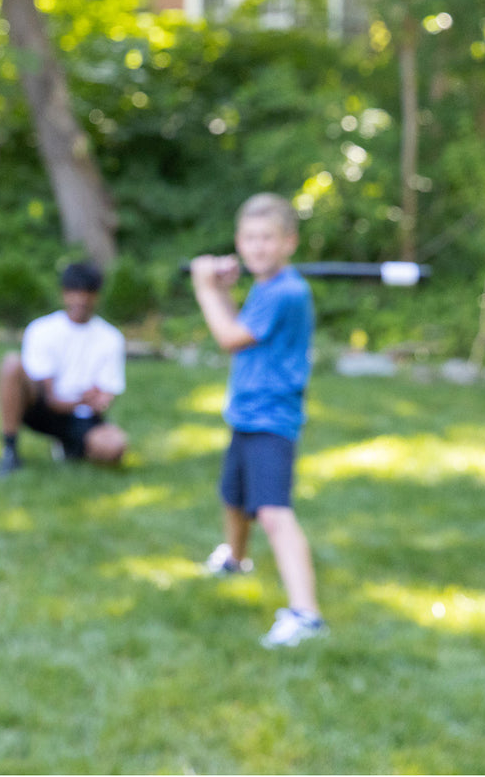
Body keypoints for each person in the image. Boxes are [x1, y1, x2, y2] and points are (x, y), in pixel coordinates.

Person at [188, 192, 325, 649]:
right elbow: (242, 331)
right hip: (247, 412)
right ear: (238, 242)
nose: (259, 247)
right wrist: (224, 291)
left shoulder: (285, 291)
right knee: (233, 496)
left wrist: (205, 288)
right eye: (250, 238)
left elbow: (228, 338)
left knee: (271, 512)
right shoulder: (268, 287)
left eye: (269, 238)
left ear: (290, 242)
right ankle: (235, 561)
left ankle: (306, 615)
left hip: (272, 418)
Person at [0, 261, 128, 478]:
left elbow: (105, 395)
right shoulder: (42, 330)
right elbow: (51, 399)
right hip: (42, 410)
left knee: (115, 448)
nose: (81, 299)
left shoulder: (111, 338)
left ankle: (72, 447)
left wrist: (98, 401)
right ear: (64, 294)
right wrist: (82, 399)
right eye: (74, 292)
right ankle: (9, 450)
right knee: (11, 363)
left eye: (87, 293)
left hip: (81, 417)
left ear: (97, 295)